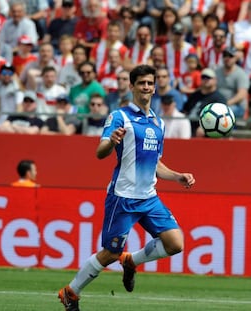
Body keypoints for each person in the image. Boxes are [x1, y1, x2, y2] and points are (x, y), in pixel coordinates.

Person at [58, 64, 196, 311]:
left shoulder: (158, 123)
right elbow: (100, 153)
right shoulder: (119, 116)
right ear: (131, 86)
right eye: (141, 83)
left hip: (149, 197)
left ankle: (132, 261)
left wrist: (177, 176)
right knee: (110, 253)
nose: (146, 87)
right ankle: (70, 293)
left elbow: (156, 164)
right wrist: (111, 142)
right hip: (123, 198)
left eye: (150, 83)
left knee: (176, 243)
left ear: (155, 87)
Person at [182, 67, 227, 137]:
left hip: (205, 131)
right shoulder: (194, 95)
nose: (205, 80)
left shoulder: (219, 99)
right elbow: (185, 110)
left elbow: (221, 119)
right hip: (187, 126)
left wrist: (205, 128)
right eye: (203, 77)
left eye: (208, 78)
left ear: (215, 80)